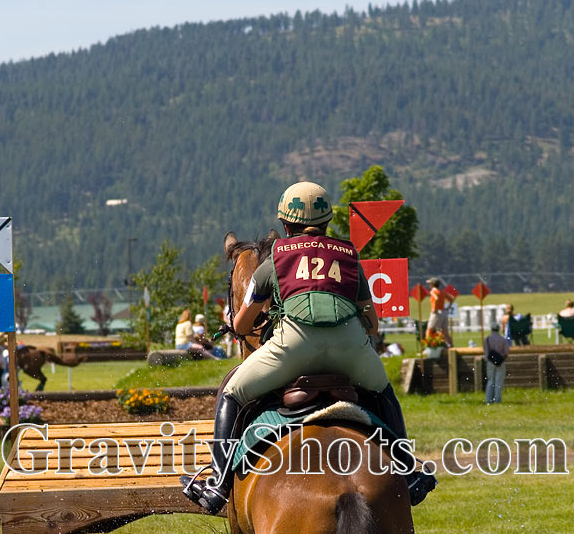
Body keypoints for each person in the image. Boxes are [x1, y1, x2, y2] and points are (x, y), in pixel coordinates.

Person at [181, 179, 437, 514]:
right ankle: (408, 473)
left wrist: (238, 322)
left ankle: (217, 485)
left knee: (232, 393)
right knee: (384, 391)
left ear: (286, 224)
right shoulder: (349, 256)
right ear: (328, 222)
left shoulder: (272, 261)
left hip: (293, 348)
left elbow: (243, 326)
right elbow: (372, 324)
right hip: (350, 351)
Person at [483, 323, 510, 404]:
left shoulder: (487, 339)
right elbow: (506, 353)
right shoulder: (503, 339)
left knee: (490, 381)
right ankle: (497, 400)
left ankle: (488, 399)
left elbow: (486, 352)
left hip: (490, 362)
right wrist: (500, 359)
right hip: (500, 362)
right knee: (499, 382)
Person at [425, 277, 453, 346]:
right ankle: (452, 347)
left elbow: (436, 298)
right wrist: (448, 308)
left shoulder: (433, 291)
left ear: (433, 284)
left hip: (437, 313)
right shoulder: (442, 291)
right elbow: (451, 299)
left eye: (430, 283)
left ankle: (428, 347)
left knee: (429, 330)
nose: (429, 285)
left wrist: (434, 309)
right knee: (445, 332)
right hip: (444, 312)